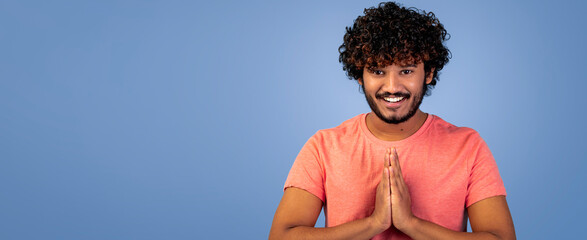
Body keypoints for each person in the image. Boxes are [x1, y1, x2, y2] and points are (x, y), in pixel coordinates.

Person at [269, 2, 515, 240]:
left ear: (428, 73)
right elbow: (282, 236)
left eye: (406, 71)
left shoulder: (468, 147)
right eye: (378, 71)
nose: (392, 86)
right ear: (359, 75)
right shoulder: (323, 147)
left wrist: (410, 224)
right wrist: (374, 223)